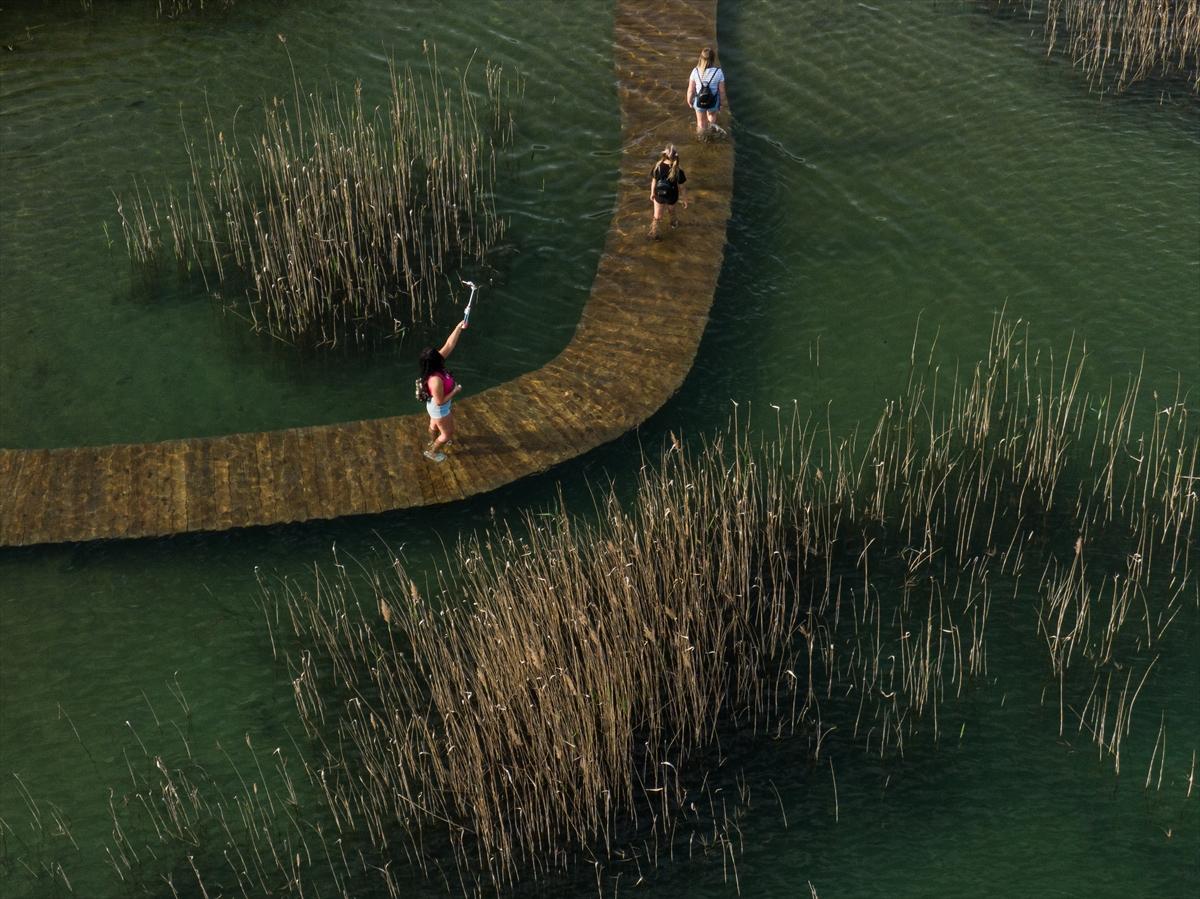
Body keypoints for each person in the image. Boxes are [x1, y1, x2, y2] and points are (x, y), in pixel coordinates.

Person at [417, 322, 466, 462]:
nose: (441, 355)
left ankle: (432, 440)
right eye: (438, 356)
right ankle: (432, 452)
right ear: (435, 361)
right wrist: (456, 390)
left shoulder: (432, 366)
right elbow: (440, 402)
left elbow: (449, 344)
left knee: (433, 425)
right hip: (440, 409)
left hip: (433, 406)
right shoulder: (435, 380)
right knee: (447, 434)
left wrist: (458, 327)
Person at [685, 46, 728, 137]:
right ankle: (711, 129)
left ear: (701, 58)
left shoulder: (695, 71)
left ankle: (701, 138)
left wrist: (689, 100)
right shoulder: (718, 72)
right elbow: (722, 91)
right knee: (712, 116)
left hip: (699, 101)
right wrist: (721, 103)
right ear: (713, 59)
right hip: (713, 101)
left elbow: (691, 90)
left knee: (700, 123)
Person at [648, 144, 688, 239]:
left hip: (659, 195)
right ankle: (673, 224)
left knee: (657, 217)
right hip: (672, 196)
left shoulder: (657, 166)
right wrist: (685, 199)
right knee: (672, 211)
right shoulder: (678, 170)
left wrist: (652, 193)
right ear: (676, 156)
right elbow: (682, 187)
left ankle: (654, 233)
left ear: (664, 154)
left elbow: (653, 181)